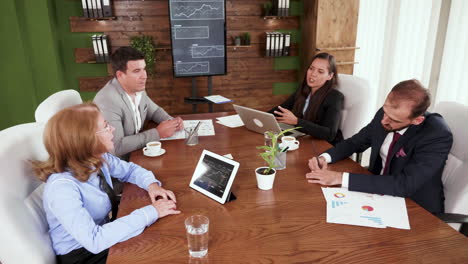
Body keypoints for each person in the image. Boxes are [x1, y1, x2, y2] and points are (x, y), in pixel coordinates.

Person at [32, 103, 181, 264]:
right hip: (83, 254)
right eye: (105, 126)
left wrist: (152, 185)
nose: (113, 129)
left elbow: (130, 170)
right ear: (85, 138)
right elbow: (94, 240)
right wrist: (151, 212)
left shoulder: (96, 158)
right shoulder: (62, 189)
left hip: (103, 235)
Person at [306, 79, 453, 213]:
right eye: (385, 111)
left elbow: (405, 184)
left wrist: (339, 178)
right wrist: (324, 157)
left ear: (417, 120)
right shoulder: (385, 115)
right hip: (376, 193)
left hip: (415, 208)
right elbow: (356, 142)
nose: (384, 121)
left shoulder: (436, 135)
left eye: (393, 120)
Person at [94, 46, 183, 159]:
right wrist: (157, 133)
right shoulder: (107, 100)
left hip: (136, 153)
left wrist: (171, 122)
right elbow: (116, 147)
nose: (144, 76)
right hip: (119, 164)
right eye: (137, 71)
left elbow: (154, 111)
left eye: (144, 69)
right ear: (120, 75)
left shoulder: (136, 88)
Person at [269, 52, 344, 145]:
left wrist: (296, 121)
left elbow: (329, 134)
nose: (313, 74)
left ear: (330, 76)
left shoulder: (335, 97)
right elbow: (281, 110)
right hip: (305, 139)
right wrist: (262, 117)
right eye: (311, 68)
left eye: (320, 71)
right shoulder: (303, 90)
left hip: (324, 146)